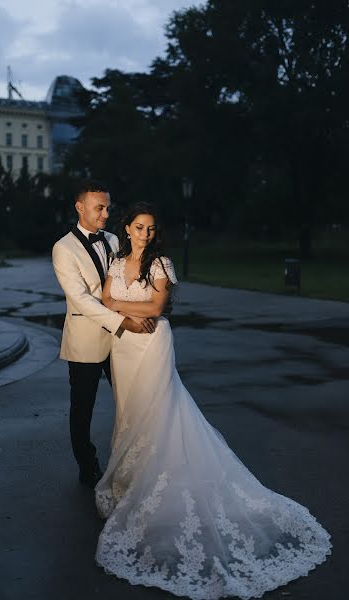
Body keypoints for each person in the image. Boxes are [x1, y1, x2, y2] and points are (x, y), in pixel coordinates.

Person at [94, 202, 332, 600]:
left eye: (151, 229)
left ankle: (154, 481)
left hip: (153, 345)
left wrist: (122, 308)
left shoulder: (162, 263)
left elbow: (156, 308)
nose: (145, 234)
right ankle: (128, 477)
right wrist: (124, 314)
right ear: (127, 228)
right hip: (123, 348)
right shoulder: (117, 263)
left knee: (157, 412)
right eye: (139, 227)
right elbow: (105, 299)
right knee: (128, 411)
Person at [52, 181, 156, 488]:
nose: (106, 214)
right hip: (85, 341)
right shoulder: (62, 248)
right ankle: (88, 467)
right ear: (80, 207)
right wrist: (124, 322)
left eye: (108, 207)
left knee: (133, 402)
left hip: (121, 343)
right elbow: (81, 299)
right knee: (82, 409)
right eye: (100, 208)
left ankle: (136, 461)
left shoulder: (113, 239)